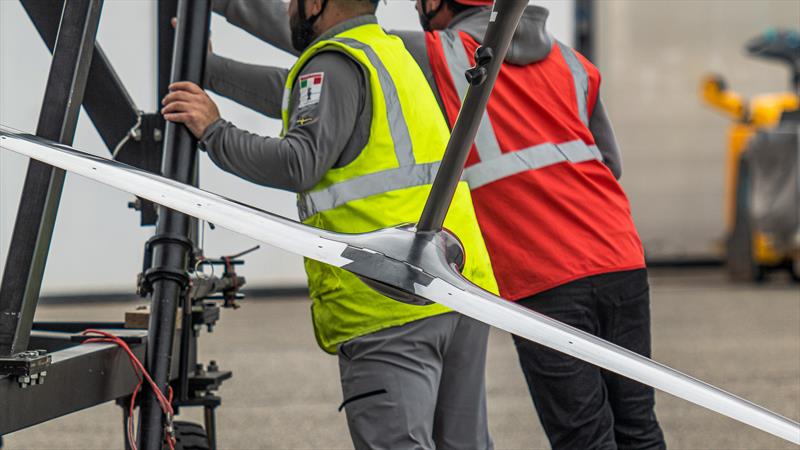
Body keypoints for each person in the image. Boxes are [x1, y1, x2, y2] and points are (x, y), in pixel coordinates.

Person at [202, 1, 667, 449]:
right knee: (637, 425)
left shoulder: (444, 53)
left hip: (538, 269)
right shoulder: (571, 60)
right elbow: (611, 161)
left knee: (583, 435)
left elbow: (329, 39)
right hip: (616, 254)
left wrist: (215, 30)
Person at [161, 1, 499, 449]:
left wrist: (214, 131)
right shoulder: (388, 53)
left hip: (390, 296)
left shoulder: (334, 62)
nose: (287, 10)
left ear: (316, 4)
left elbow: (298, 161)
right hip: (456, 289)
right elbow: (297, 96)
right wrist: (211, 70)